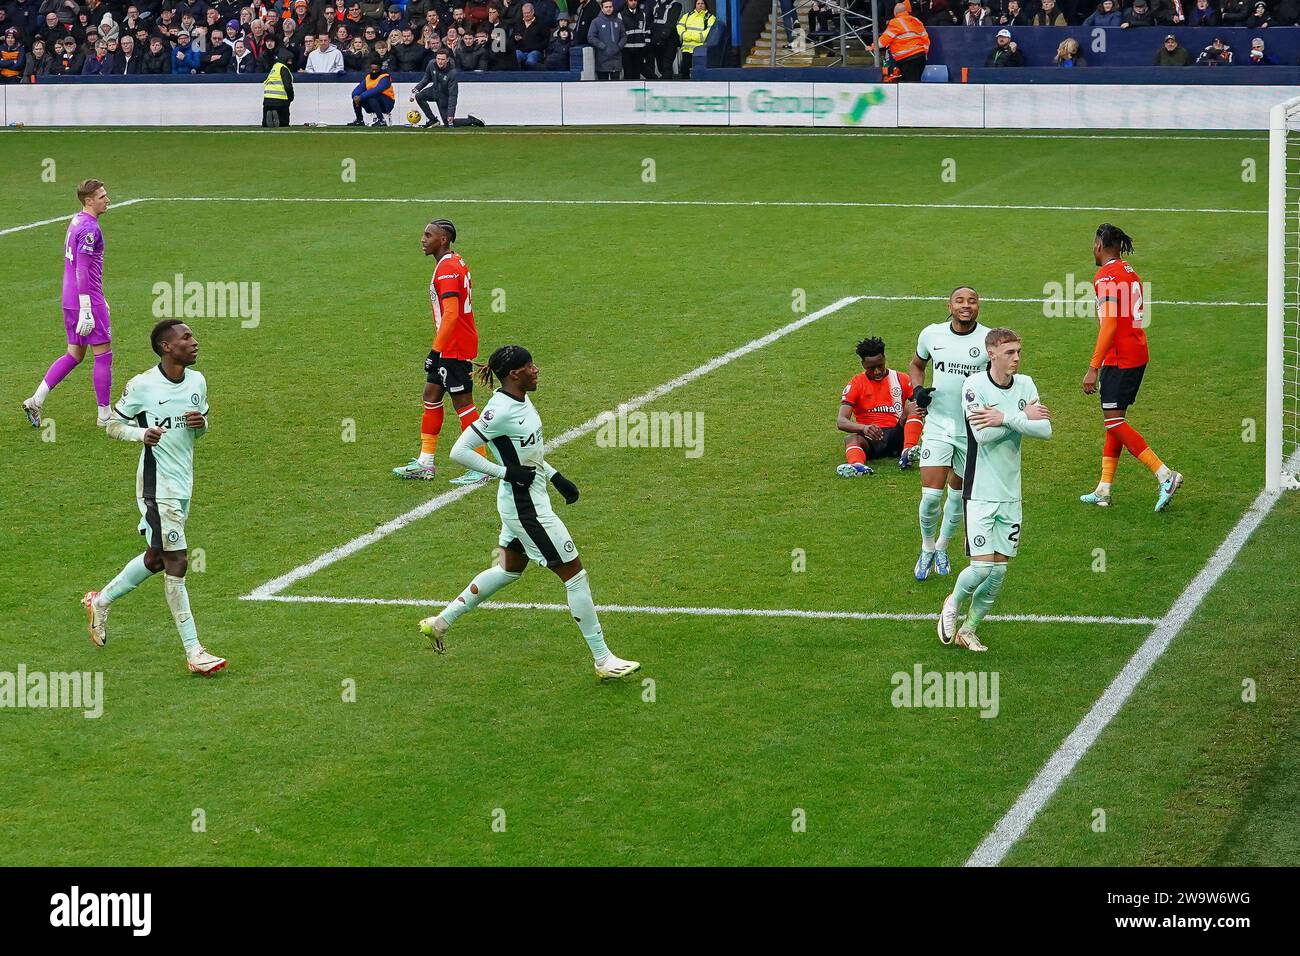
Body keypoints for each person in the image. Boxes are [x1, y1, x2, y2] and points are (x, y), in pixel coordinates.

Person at [417, 344, 642, 681]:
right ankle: (603, 659)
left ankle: (440, 622)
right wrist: (505, 472)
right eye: (530, 366)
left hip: (528, 500)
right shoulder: (500, 410)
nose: (536, 370)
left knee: (508, 569)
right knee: (575, 576)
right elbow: (459, 451)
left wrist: (555, 477)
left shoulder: (522, 398)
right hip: (527, 509)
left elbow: (528, 450)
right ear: (513, 374)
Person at [84, 319, 226, 676]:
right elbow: (112, 425)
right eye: (186, 337)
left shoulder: (197, 381)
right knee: (177, 562)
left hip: (183, 485)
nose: (194, 342)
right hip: (157, 488)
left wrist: (201, 425)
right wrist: (141, 434)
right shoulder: (143, 385)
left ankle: (100, 601)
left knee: (157, 558)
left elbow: (200, 427)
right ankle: (195, 652)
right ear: (167, 347)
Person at [937, 328, 1052, 653]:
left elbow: (1045, 429)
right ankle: (953, 601)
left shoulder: (1026, 384)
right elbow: (982, 436)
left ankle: (969, 629)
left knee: (999, 571)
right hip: (980, 491)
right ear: (992, 354)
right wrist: (1018, 418)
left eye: (1018, 351)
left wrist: (1003, 418)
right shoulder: (974, 386)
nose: (1016, 358)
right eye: (1009, 352)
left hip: (1010, 492)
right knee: (982, 567)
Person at [1080, 224, 1183, 511]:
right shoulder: (1128, 271)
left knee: (1113, 421)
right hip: (1137, 351)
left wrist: (1093, 367)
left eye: (1093, 242)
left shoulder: (1104, 277)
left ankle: (1165, 474)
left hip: (1120, 358)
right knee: (1115, 421)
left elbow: (1110, 323)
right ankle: (1104, 488)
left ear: (1100, 245)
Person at [393, 219, 490, 484]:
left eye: (428, 235)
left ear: (444, 239)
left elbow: (451, 313)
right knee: (431, 394)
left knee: (464, 405)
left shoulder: (447, 268)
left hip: (454, 346)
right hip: (452, 343)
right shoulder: (454, 261)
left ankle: (481, 467)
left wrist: (435, 351)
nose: (422, 239)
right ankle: (426, 462)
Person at [907, 287, 990, 581]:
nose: (966, 306)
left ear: (978, 306)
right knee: (930, 496)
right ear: (950, 305)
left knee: (958, 495)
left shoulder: (989, 340)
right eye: (960, 301)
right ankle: (927, 546)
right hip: (939, 426)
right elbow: (917, 365)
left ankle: (943, 545)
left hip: (972, 430)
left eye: (972, 301)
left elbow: (1001, 378)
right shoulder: (932, 334)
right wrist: (918, 391)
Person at [24, 180, 114, 430]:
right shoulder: (90, 229)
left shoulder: (76, 221)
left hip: (70, 298)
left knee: (74, 354)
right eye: (102, 196)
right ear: (89, 201)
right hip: (85, 299)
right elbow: (82, 270)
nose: (107, 199)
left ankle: (36, 399)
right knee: (103, 355)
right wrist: (89, 306)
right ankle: (105, 415)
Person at [836, 336, 923, 477]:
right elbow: (841, 421)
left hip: (897, 436)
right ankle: (857, 466)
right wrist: (863, 428)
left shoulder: (901, 379)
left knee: (915, 405)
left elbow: (920, 407)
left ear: (884, 358)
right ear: (863, 364)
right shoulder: (856, 383)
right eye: (871, 368)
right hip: (871, 438)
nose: (877, 371)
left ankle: (907, 451)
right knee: (851, 439)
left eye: (880, 366)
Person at [877, 1, 929, 83]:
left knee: (910, 86)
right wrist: (925, 52)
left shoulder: (895, 22)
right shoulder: (916, 20)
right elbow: (926, 39)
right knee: (915, 82)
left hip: (907, 59)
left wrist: (872, 46)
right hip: (921, 57)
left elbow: (883, 41)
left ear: (895, 12)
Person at [348, 58, 395, 125]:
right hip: (374, 101)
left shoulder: (385, 78)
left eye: (376, 70)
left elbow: (377, 89)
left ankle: (382, 120)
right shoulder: (368, 77)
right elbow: (359, 88)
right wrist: (355, 96)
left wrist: (361, 96)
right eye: (372, 69)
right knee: (357, 99)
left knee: (371, 97)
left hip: (387, 102)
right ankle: (359, 120)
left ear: (380, 68)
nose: (374, 71)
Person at [588, 0, 624, 79]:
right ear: (602, 8)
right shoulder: (596, 22)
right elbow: (590, 37)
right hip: (602, 60)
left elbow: (624, 36)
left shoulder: (619, 21)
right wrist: (602, 46)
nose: (608, 9)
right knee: (603, 87)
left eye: (610, 7)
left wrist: (618, 46)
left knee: (616, 87)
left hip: (616, 60)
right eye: (606, 7)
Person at [649, 0, 681, 77]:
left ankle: (668, 85)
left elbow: (671, 23)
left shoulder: (675, 5)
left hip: (669, 42)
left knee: (666, 65)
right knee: (660, 66)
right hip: (656, 41)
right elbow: (651, 20)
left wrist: (662, 36)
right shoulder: (655, 4)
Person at [620, 0, 651, 78]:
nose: (633, 2)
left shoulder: (642, 14)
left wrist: (645, 46)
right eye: (631, 0)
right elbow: (619, 33)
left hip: (639, 50)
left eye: (635, 0)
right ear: (627, 1)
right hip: (626, 49)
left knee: (637, 74)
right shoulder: (620, 15)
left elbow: (645, 31)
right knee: (628, 74)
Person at [262, 55, 294, 126]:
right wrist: (291, 97)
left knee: (265, 124)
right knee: (284, 123)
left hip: (267, 100)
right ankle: (279, 120)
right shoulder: (284, 68)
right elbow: (288, 86)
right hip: (281, 100)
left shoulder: (273, 70)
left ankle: (267, 121)